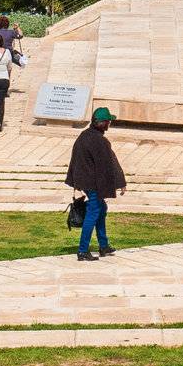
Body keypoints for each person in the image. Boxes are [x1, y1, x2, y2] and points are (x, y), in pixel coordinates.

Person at [65, 107, 127, 260]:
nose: (109, 124)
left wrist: (77, 183)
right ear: (102, 123)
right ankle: (82, 250)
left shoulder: (84, 135)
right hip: (94, 184)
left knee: (101, 209)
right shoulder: (100, 141)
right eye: (108, 122)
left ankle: (104, 246)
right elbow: (109, 164)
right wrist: (120, 182)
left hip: (86, 181)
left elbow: (76, 161)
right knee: (93, 214)